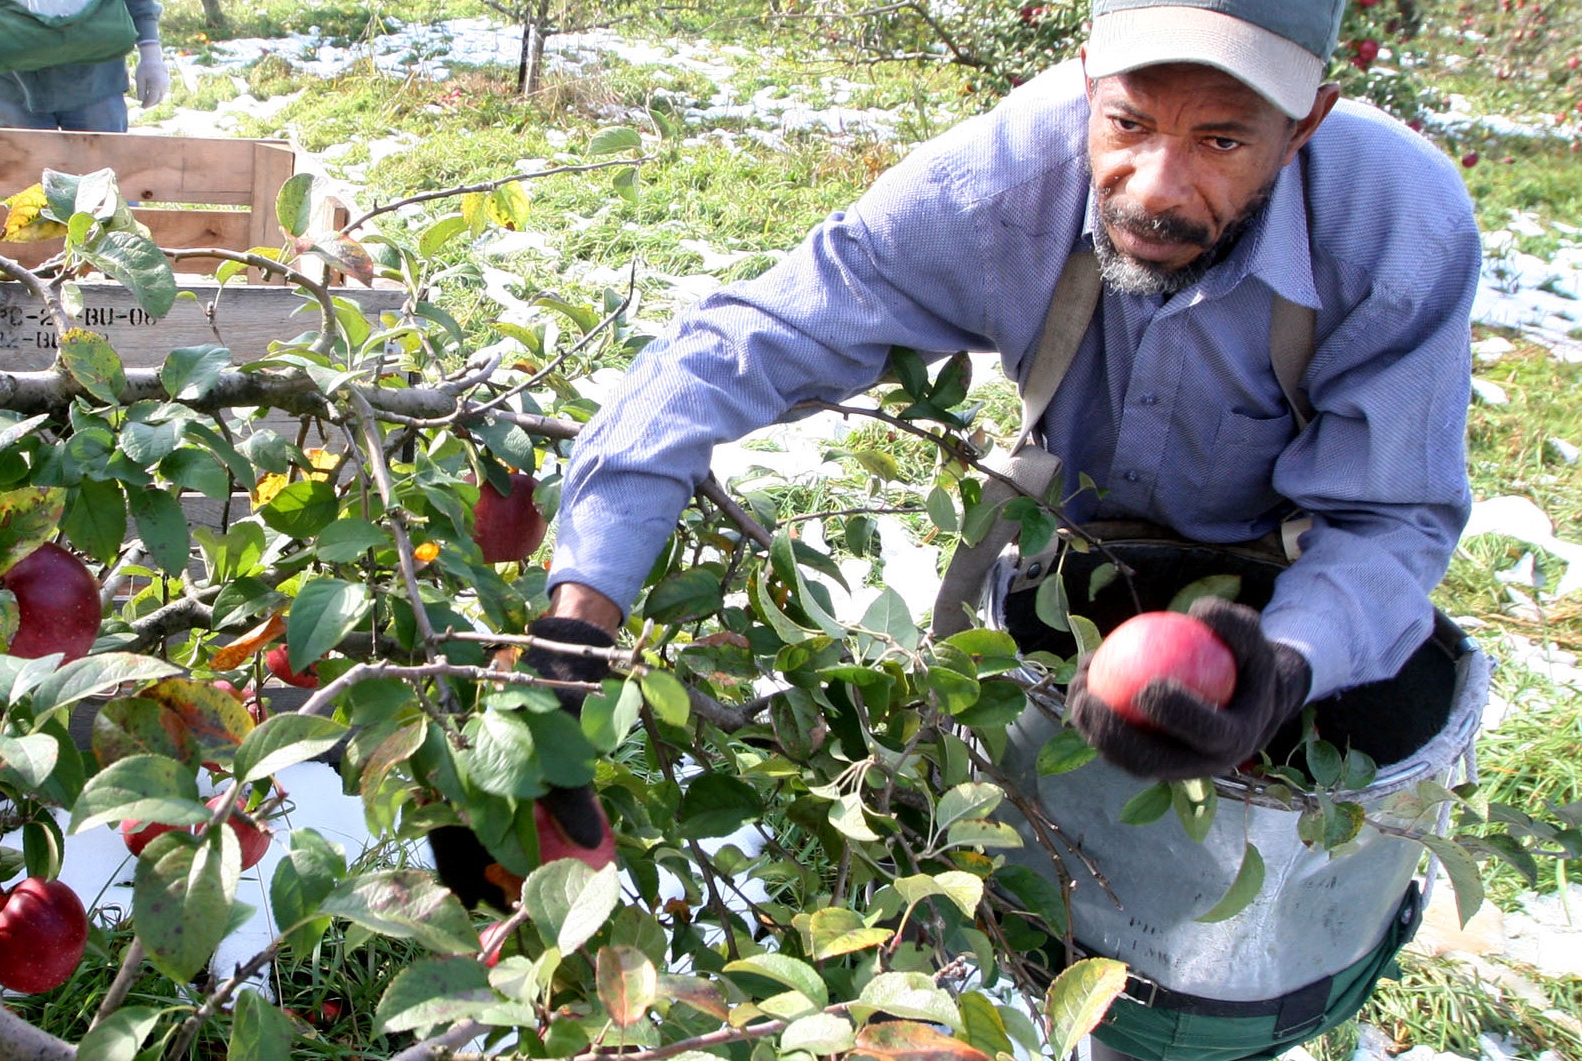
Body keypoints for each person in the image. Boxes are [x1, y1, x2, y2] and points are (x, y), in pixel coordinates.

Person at [532, 2, 1479, 1057]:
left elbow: (1392, 517)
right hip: (1070, 565)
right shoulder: (998, 189)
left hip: (1289, 583)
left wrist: (1288, 666)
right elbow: (738, 345)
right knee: (1031, 887)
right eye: (1127, 123)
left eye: (1221, 139)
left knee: (1204, 971)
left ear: (1305, 124)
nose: (1158, 186)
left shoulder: (1397, 229)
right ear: (1085, 82)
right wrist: (582, 611)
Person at [0, 0, 168, 133]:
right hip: (17, 89)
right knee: (31, 201)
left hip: (95, 86)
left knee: (106, 196)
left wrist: (151, 53)